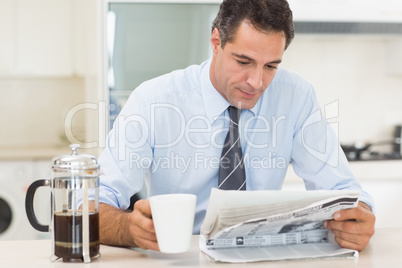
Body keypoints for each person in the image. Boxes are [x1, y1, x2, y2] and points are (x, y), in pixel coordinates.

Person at [98, 0, 375, 252]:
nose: (256, 82)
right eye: (244, 62)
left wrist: (358, 215)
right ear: (216, 42)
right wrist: (128, 230)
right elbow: (92, 204)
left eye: (270, 66)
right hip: (180, 256)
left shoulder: (295, 96)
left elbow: (344, 190)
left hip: (261, 254)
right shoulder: (153, 101)